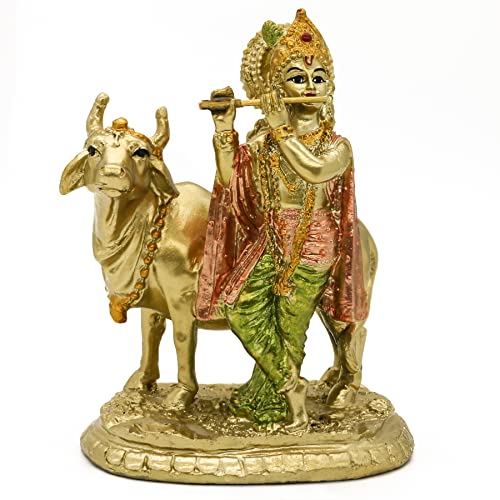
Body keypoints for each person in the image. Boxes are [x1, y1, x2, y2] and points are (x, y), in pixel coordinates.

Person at [196, 9, 368, 430]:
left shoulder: (338, 146)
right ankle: (289, 386)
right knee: (238, 305)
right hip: (271, 238)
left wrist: (281, 131)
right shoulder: (265, 141)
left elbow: (314, 170)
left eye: (318, 77)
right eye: (297, 77)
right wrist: (224, 130)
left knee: (290, 328)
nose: (309, 85)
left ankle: (291, 408)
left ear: (330, 88)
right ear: (276, 88)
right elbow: (231, 181)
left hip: (314, 242)